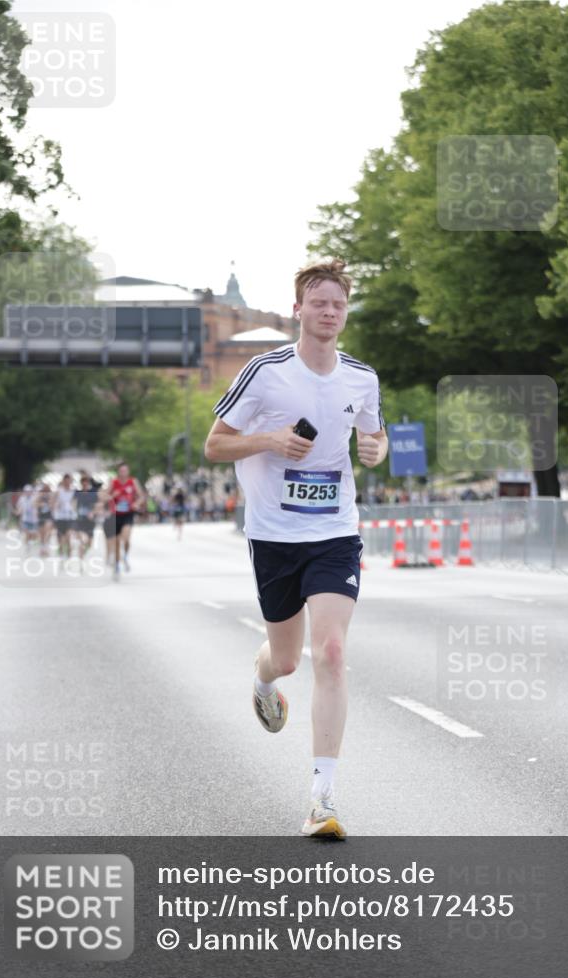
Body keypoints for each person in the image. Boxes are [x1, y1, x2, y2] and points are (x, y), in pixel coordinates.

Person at [204, 259, 387, 839]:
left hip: (335, 530)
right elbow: (215, 445)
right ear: (299, 310)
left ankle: (321, 799)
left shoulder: (362, 377)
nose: (329, 312)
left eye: (338, 304)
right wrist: (269, 440)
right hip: (274, 535)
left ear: (345, 312)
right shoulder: (265, 371)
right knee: (286, 659)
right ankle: (263, 681)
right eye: (319, 302)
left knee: (330, 652)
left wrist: (376, 449)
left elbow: (373, 432)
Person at [109, 462, 144, 579]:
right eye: (121, 470)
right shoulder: (113, 482)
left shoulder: (133, 482)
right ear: (119, 472)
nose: (123, 472)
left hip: (128, 514)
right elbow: (104, 496)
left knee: (126, 539)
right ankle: (117, 565)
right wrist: (113, 495)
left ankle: (125, 556)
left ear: (128, 472)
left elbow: (142, 496)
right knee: (117, 542)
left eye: (125, 470)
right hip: (115, 515)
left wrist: (136, 503)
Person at [52, 474, 77, 560]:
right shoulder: (59, 491)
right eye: (66, 480)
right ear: (63, 481)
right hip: (60, 517)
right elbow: (53, 502)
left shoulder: (74, 491)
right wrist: (56, 506)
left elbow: (76, 503)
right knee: (61, 537)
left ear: (71, 481)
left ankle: (69, 555)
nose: (67, 482)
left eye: (69, 480)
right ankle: (62, 552)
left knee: (68, 535)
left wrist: (73, 507)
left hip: (70, 517)